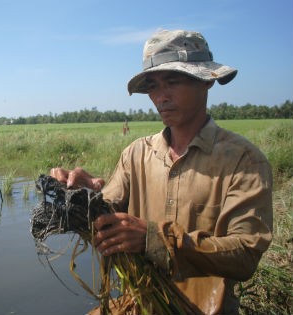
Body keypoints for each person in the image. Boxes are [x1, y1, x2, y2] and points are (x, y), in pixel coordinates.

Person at [50, 29, 273, 315]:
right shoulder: (137, 154)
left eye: (172, 81)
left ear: (206, 81)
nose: (160, 97)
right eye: (153, 86)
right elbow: (109, 212)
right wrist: (85, 192)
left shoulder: (244, 161)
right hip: (139, 301)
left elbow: (244, 256)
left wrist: (154, 240)